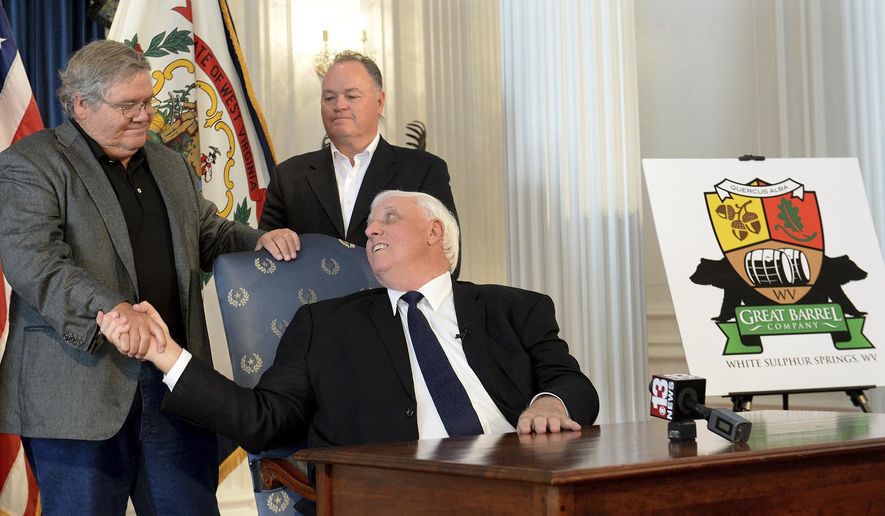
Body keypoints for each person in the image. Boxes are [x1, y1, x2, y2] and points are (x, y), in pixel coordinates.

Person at [0, 40, 298, 515]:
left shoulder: (167, 162)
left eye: (147, 102)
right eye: (128, 105)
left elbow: (205, 233)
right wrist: (111, 309)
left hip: (174, 383)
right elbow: (36, 263)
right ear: (81, 104)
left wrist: (257, 241)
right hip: (78, 396)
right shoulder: (31, 164)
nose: (144, 116)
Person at [98, 190, 599, 456]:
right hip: (393, 491)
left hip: (521, 479)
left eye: (389, 218)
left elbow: (572, 384)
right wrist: (165, 354)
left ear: (434, 231)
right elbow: (262, 420)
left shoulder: (516, 308)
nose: (371, 228)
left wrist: (550, 402)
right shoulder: (324, 325)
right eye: (369, 224)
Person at [258, 51, 459, 254]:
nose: (339, 105)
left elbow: (446, 254)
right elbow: (263, 256)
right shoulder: (289, 176)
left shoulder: (423, 171)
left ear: (379, 102)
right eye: (329, 97)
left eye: (351, 96)